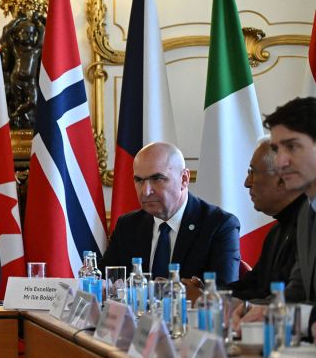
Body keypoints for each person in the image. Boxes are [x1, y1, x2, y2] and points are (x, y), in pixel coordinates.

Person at [103, 142, 240, 294]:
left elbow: (224, 294)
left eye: (157, 179)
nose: (146, 191)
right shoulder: (128, 226)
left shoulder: (219, 225)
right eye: (139, 180)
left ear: (184, 179)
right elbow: (105, 280)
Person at [240, 98, 316, 341]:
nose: (281, 161)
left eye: (292, 147)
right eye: (276, 149)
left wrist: (278, 314)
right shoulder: (306, 212)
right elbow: (296, 292)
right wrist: (249, 309)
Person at [227, 139, 305, 301]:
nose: (246, 183)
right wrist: (205, 293)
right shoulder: (276, 230)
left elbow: (291, 298)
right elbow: (253, 285)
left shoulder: (307, 230)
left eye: (252, 172)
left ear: (282, 179)